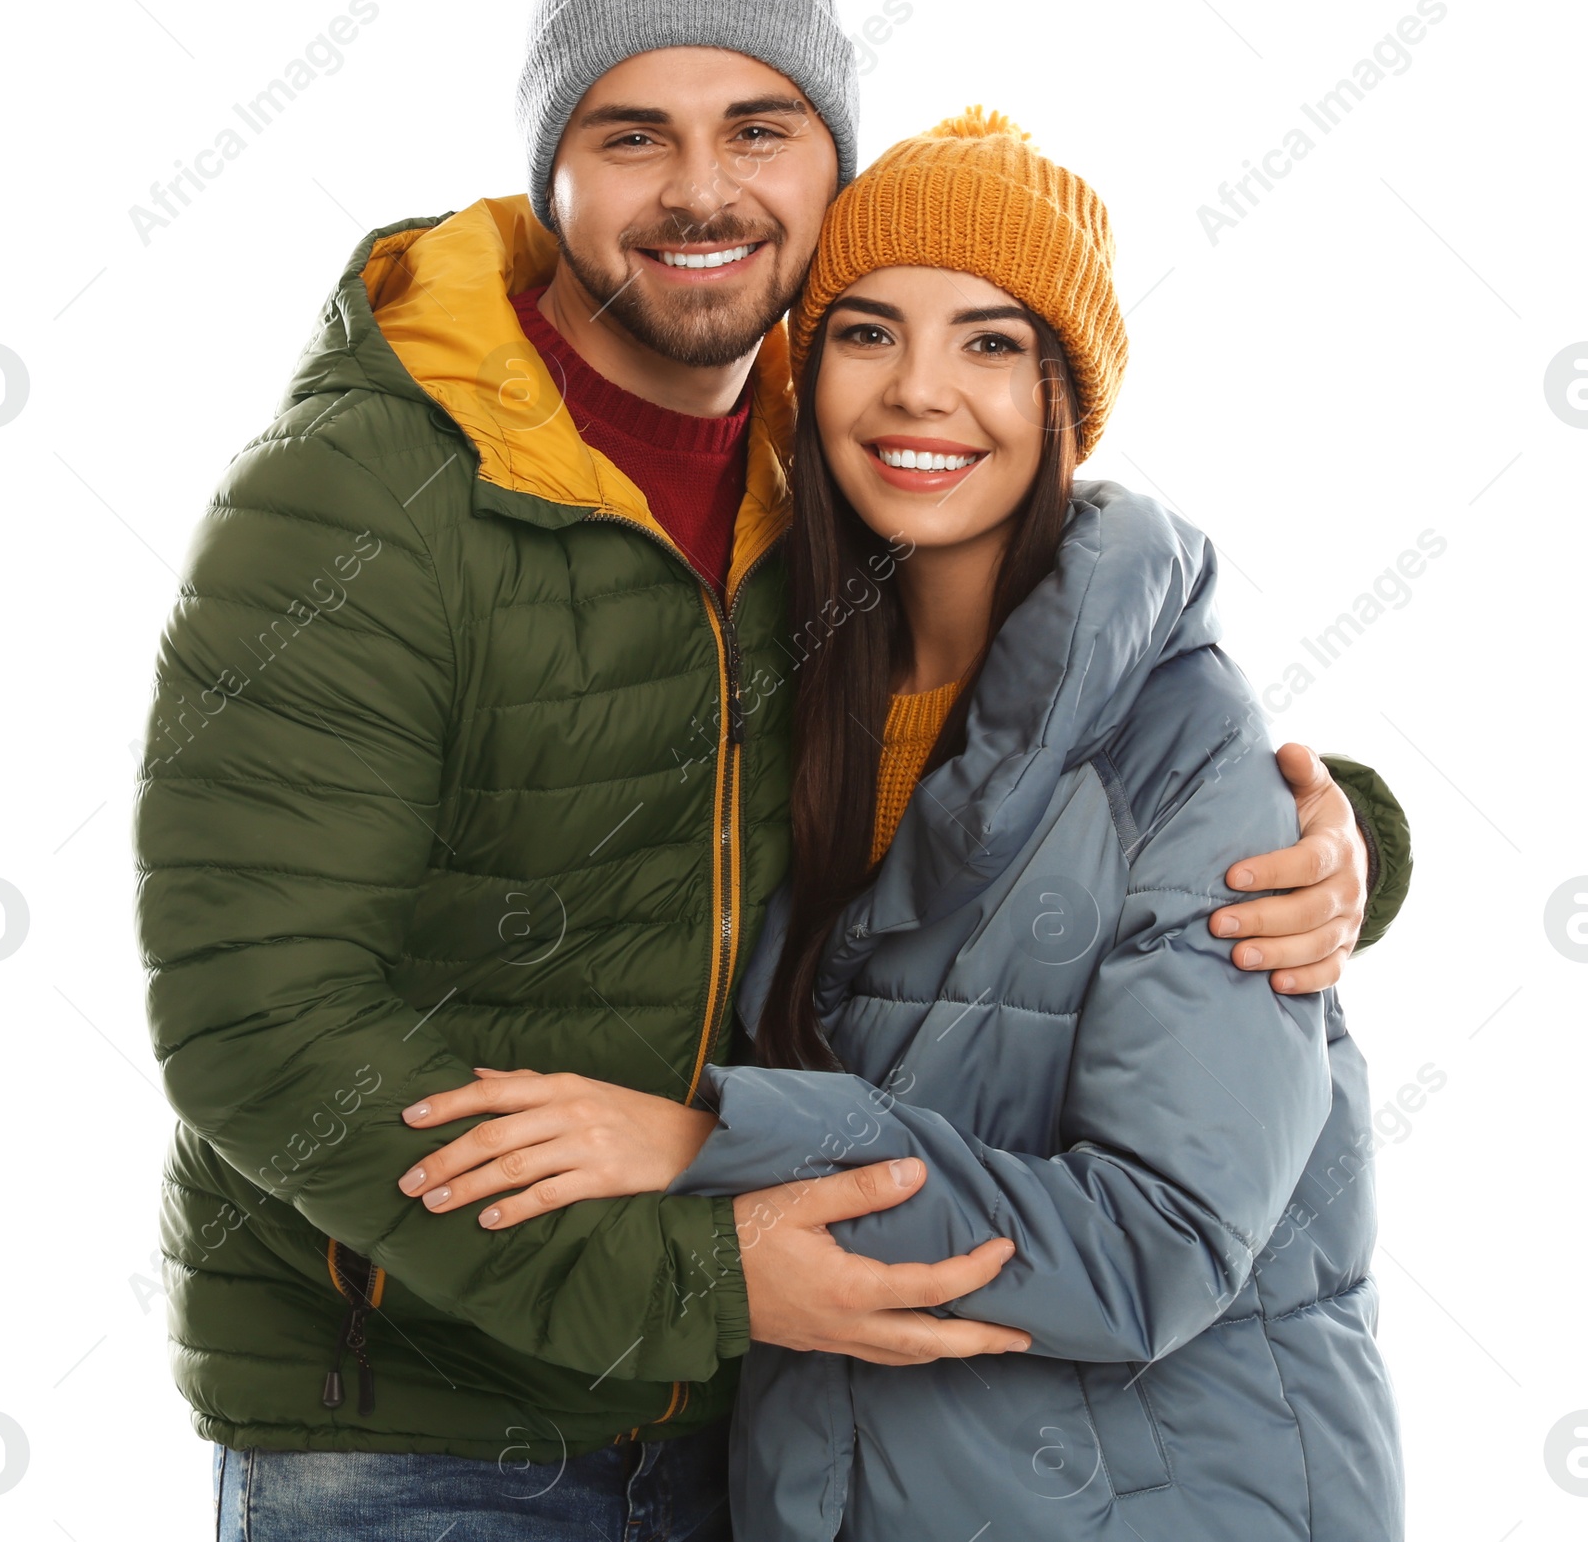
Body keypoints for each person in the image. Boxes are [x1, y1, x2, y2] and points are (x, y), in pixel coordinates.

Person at [133, 0, 1408, 1539]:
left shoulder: (832, 512)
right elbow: (257, 1016)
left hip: (772, 1431)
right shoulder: (364, 497)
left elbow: (1030, 756)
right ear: (554, 166)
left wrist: (1334, 827)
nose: (703, 189)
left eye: (760, 125)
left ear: (830, 170)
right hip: (427, 1430)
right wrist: (702, 1266)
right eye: (632, 134)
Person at [401, 112, 1404, 1539]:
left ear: (1068, 392)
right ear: (805, 378)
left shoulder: (1190, 761)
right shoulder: (784, 708)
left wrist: (699, 1143)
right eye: (868, 333)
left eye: (991, 343)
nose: (921, 391)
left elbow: (1160, 1245)